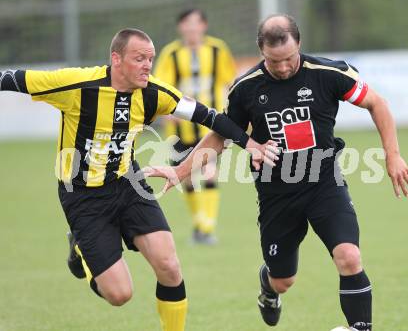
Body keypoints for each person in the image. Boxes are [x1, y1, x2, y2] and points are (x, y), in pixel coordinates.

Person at [144, 15, 408, 330]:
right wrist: (181, 170)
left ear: (299, 45)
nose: (283, 67)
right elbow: (222, 134)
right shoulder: (246, 87)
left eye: (289, 59)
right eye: (274, 62)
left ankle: (359, 327)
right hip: (276, 193)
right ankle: (268, 287)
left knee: (350, 257)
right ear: (261, 52)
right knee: (283, 279)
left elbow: (377, 104)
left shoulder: (328, 73)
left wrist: (392, 155)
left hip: (324, 183)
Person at [0, 28, 278, 331]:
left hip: (129, 183)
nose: (148, 65)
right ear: (116, 59)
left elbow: (210, 117)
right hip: (82, 196)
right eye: (139, 59)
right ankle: (80, 248)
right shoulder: (76, 85)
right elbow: (12, 79)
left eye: (150, 59)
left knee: (170, 266)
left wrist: (249, 143)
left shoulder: (154, 93)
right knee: (120, 295)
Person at [154, 8, 237, 244]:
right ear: (180, 27)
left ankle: (206, 227)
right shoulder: (171, 54)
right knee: (187, 177)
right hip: (179, 128)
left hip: (209, 127)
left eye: (196, 23)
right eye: (187, 24)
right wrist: (165, 111)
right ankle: (199, 224)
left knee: (209, 171)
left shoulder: (217, 49)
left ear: (204, 26)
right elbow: (162, 85)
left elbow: (230, 81)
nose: (191, 28)